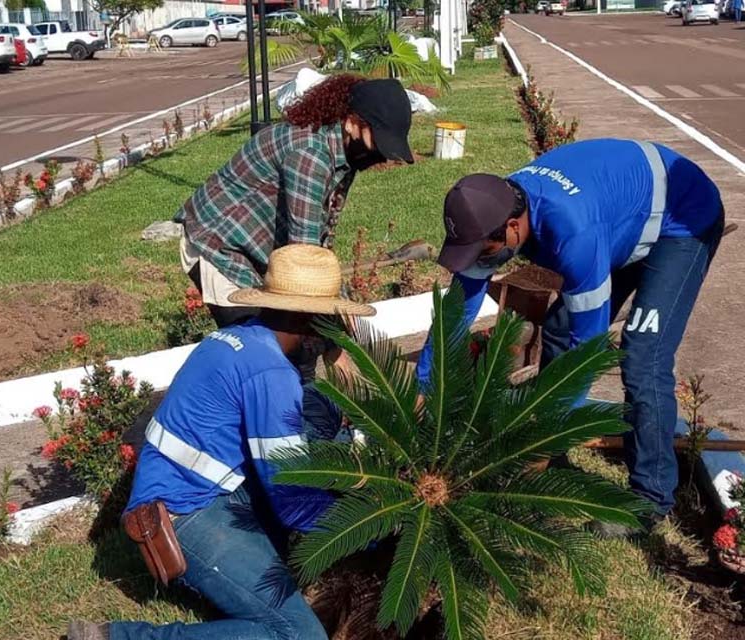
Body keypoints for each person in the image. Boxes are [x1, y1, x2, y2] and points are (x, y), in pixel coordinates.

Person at [67, 245, 375, 640]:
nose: (335, 327)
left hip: (194, 488)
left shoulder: (238, 337)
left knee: (320, 413)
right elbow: (292, 500)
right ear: (309, 317)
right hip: (184, 513)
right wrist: (367, 521)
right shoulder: (270, 374)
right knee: (299, 635)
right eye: (330, 317)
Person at [419, 138, 724, 532]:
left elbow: (589, 351)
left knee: (642, 355)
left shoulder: (572, 233)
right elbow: (459, 307)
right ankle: (555, 445)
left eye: (486, 251)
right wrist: (424, 384)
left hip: (681, 221)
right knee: (561, 329)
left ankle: (648, 502)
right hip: (621, 222)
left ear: (514, 228)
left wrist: (542, 439)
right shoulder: (491, 208)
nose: (482, 260)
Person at [175, 75, 414, 329]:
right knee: (261, 347)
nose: (382, 154)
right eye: (377, 141)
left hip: (256, 249)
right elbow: (305, 257)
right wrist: (336, 333)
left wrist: (341, 306)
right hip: (218, 244)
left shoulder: (344, 155)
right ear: (352, 123)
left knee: (298, 343)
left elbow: (321, 239)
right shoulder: (309, 154)